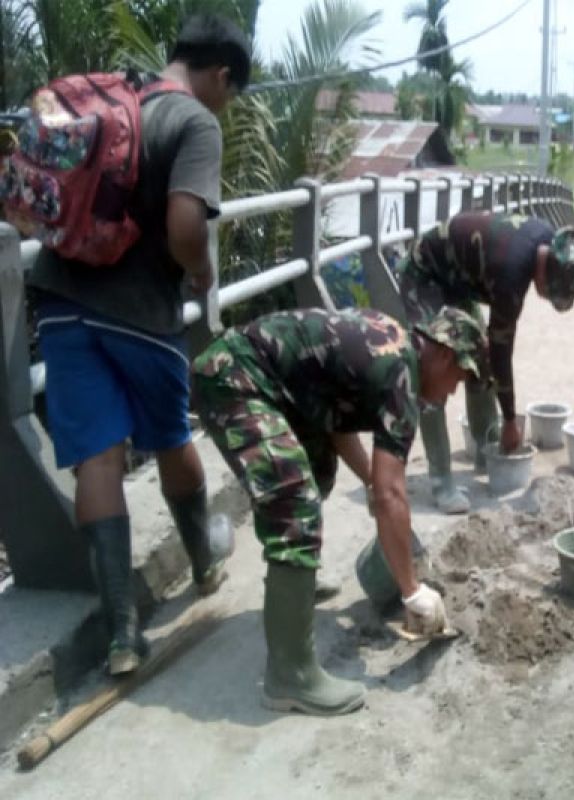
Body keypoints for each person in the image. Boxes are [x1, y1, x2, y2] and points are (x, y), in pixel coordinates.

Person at [26, 14, 251, 676]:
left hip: (62, 300)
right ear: (220, 75)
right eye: (231, 93)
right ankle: (204, 562)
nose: (227, 106)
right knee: (171, 435)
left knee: (96, 460)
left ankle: (123, 632)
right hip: (140, 309)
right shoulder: (194, 122)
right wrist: (203, 274)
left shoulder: (113, 97)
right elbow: (186, 224)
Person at [191, 306, 486, 715]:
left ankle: (294, 589)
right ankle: (289, 677)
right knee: (294, 502)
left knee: (316, 470)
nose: (453, 390)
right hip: (234, 378)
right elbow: (392, 495)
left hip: (261, 379)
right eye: (459, 378)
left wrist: (369, 479)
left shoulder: (392, 348)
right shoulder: (402, 376)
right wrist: (411, 590)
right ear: (446, 355)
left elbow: (335, 418)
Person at [393, 212, 574, 513]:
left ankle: (487, 452)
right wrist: (510, 419)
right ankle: (442, 480)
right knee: (432, 373)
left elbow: (491, 356)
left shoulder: (547, 239)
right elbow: (502, 353)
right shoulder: (511, 273)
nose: (545, 298)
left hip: (458, 282)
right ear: (545, 274)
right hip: (424, 275)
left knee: (477, 357)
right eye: (551, 295)